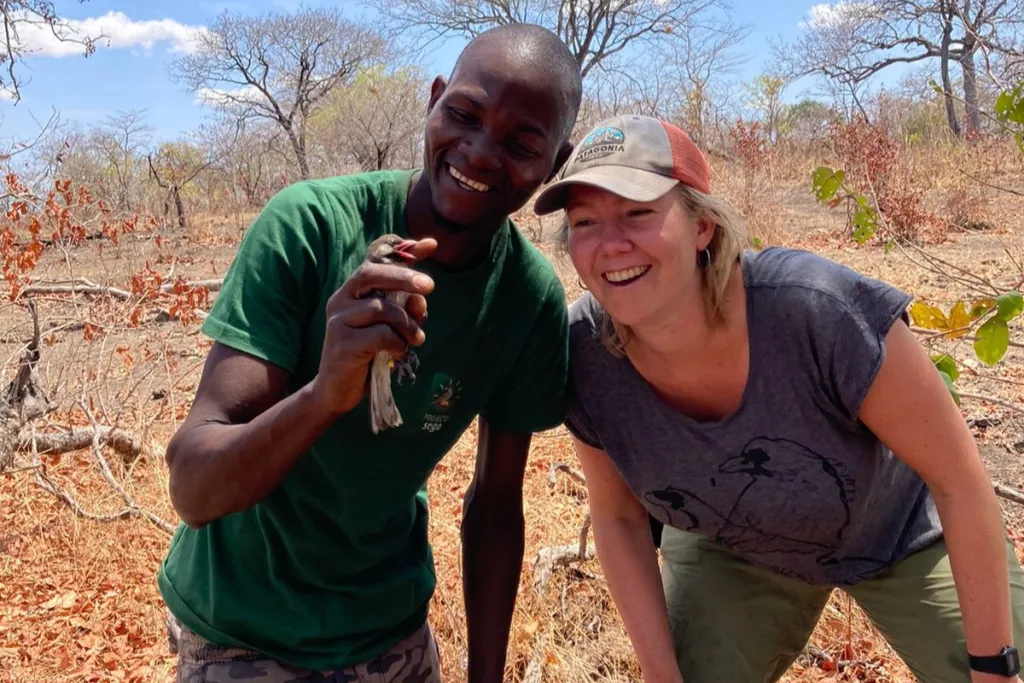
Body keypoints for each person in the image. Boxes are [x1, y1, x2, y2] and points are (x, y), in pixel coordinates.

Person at [157, 24, 583, 683]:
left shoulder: (526, 299)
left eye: (522, 143)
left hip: (388, 625)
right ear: (435, 100)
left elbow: (497, 502)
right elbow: (193, 485)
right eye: (464, 114)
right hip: (242, 622)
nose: (479, 151)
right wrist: (327, 392)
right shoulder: (309, 228)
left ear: (555, 164)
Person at [533, 113, 1024, 683]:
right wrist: (660, 674)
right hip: (734, 543)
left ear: (701, 227)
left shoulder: (815, 310)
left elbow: (960, 480)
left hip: (897, 530)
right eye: (585, 222)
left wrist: (994, 665)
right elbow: (617, 517)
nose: (610, 244)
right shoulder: (586, 353)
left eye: (638, 213)